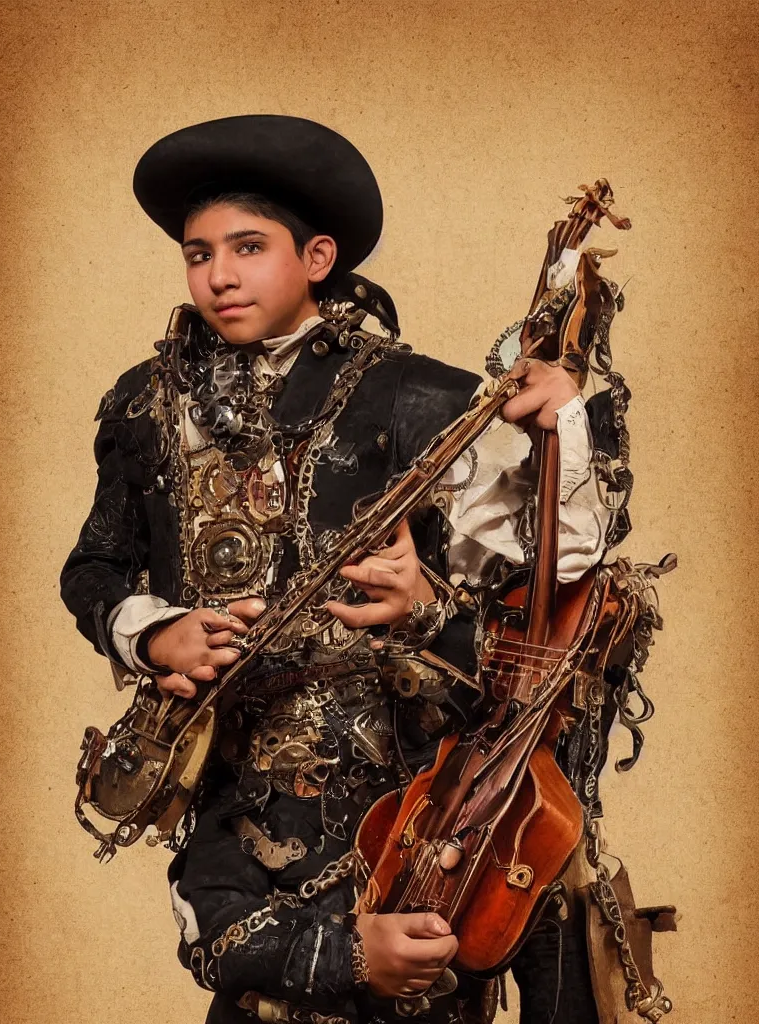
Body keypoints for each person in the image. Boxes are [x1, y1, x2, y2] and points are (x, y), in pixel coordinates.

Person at [61, 115, 612, 1024]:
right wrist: (154, 627)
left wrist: (557, 430)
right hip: (239, 786)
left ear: (318, 257)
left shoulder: (422, 396)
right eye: (198, 253)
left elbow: (544, 620)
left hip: (415, 794)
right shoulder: (144, 403)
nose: (220, 276)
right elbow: (96, 565)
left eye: (248, 247)